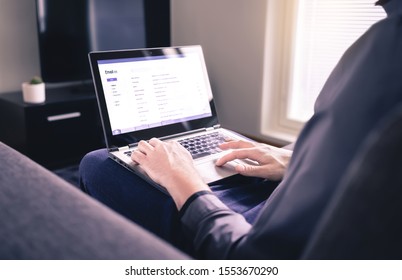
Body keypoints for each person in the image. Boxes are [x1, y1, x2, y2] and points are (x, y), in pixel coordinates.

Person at [79, 0, 402, 259]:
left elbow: (253, 257)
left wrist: (184, 180)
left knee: (96, 163)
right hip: (284, 201)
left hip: (248, 232)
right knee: (228, 160)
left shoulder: (389, 46)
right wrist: (293, 163)